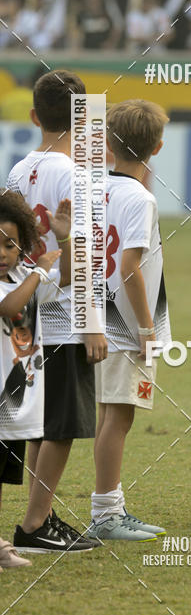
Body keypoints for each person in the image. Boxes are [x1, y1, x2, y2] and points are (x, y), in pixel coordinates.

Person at [7, 70, 105, 553]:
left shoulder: (16, 170)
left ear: (33, 117)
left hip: (29, 306)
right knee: (64, 423)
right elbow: (81, 251)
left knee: (36, 421)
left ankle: (39, 513)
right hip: (64, 310)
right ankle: (34, 525)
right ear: (83, 120)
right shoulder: (78, 173)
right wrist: (91, 323)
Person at [89, 100, 171, 540]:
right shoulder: (139, 198)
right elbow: (130, 266)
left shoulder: (99, 186)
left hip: (98, 315)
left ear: (106, 144)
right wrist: (146, 328)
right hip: (125, 323)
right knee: (119, 418)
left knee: (108, 414)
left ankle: (110, 507)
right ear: (157, 147)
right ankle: (106, 513)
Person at [0, 190, 80, 557]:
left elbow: (70, 278)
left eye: (11, 244)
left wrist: (64, 236)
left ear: (23, 246)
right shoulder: (20, 282)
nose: (3, 252)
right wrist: (38, 272)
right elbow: (9, 306)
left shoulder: (24, 275)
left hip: (16, 405)